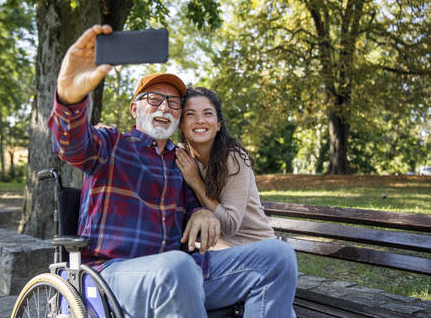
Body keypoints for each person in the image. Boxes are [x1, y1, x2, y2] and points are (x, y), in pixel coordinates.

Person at [48, 24, 297, 318]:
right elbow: (70, 144)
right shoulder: (111, 145)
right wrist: (69, 98)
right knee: (177, 267)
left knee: (278, 256)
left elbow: (194, 212)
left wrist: (202, 213)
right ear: (134, 109)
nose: (164, 107)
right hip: (112, 274)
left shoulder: (180, 163)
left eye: (174, 102)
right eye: (154, 99)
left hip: (183, 273)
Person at [176, 87, 276, 250]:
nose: (200, 120)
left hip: (256, 248)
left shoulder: (233, 158)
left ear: (218, 125)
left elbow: (229, 226)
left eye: (207, 113)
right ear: (180, 125)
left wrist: (195, 180)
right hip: (215, 251)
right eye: (190, 114)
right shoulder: (182, 156)